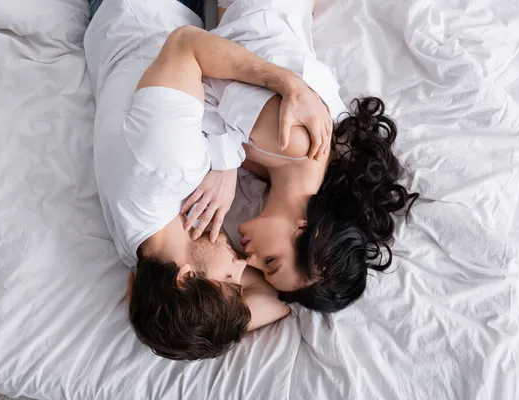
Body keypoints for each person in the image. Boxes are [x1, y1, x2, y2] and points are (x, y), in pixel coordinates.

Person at [83, 0, 331, 360]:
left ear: (184, 277)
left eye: (230, 279)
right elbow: (275, 302)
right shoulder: (139, 253)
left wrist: (287, 85)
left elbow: (186, 44)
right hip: (113, 29)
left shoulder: (167, 166)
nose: (243, 266)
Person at [183, 0, 419, 313]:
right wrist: (224, 161)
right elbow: (192, 64)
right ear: (304, 229)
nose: (248, 261)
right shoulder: (290, 141)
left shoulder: (299, 173)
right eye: (271, 262)